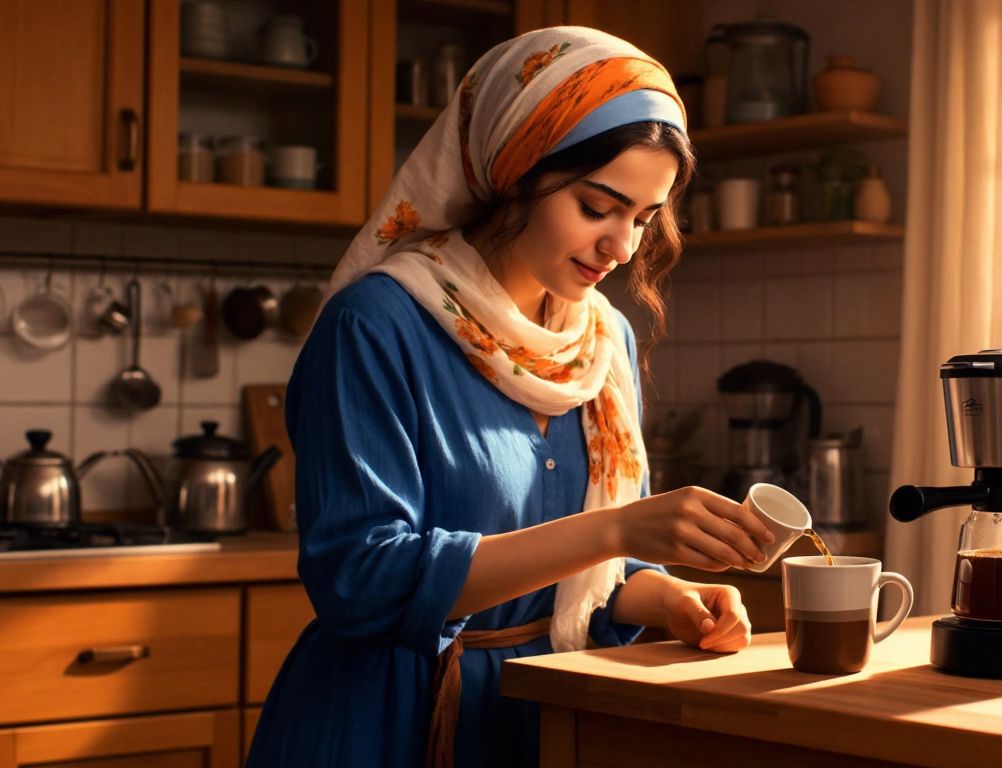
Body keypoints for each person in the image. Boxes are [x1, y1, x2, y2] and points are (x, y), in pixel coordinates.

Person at [246, 27, 775, 768]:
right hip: (388, 722)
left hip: (547, 717)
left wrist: (665, 600)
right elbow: (360, 581)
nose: (622, 246)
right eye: (599, 206)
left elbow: (587, 570)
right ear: (516, 172)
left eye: (644, 218)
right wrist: (619, 531)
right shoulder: (376, 323)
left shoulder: (603, 342)